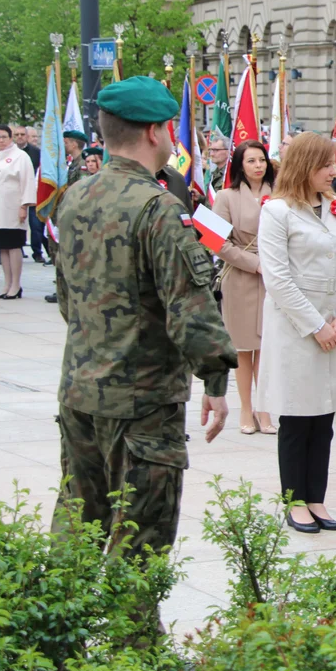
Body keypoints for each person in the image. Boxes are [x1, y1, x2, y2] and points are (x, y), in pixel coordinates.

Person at [50, 75, 237, 563]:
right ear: (157, 132)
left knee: (76, 533)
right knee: (138, 548)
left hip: (80, 392)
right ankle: (134, 642)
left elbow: (67, 300)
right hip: (144, 405)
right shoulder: (158, 209)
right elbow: (190, 312)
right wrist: (216, 382)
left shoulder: (73, 198)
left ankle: (56, 634)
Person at [256, 132, 336, 532]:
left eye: (334, 163)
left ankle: (317, 497)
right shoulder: (277, 211)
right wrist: (316, 326)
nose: (334, 171)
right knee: (297, 418)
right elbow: (278, 279)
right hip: (297, 329)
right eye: (326, 165)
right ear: (304, 167)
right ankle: (295, 500)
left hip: (334, 325)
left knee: (324, 419)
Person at [213, 140, 276, 435]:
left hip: (274, 277)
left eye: (262, 160)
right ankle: (246, 410)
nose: (258, 165)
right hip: (240, 278)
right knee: (243, 349)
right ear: (239, 165)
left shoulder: (278, 194)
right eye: (251, 161)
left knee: (266, 348)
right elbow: (216, 243)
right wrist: (253, 263)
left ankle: (266, 411)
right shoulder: (226, 197)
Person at [0, 125, 35, 299]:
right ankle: (7, 283)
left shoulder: (20, 156)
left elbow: (28, 181)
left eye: (4, 137)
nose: (0, 140)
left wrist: (24, 206)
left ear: (10, 138)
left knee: (13, 245)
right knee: (2, 246)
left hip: (13, 206)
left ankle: (16, 285)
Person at [12, 125, 45, 264]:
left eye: (22, 134)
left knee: (35, 224)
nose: (19, 137)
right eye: (17, 134)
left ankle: (37, 251)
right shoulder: (10, 153)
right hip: (15, 193)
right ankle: (17, 249)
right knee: (15, 223)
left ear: (27, 136)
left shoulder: (36, 152)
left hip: (33, 192)